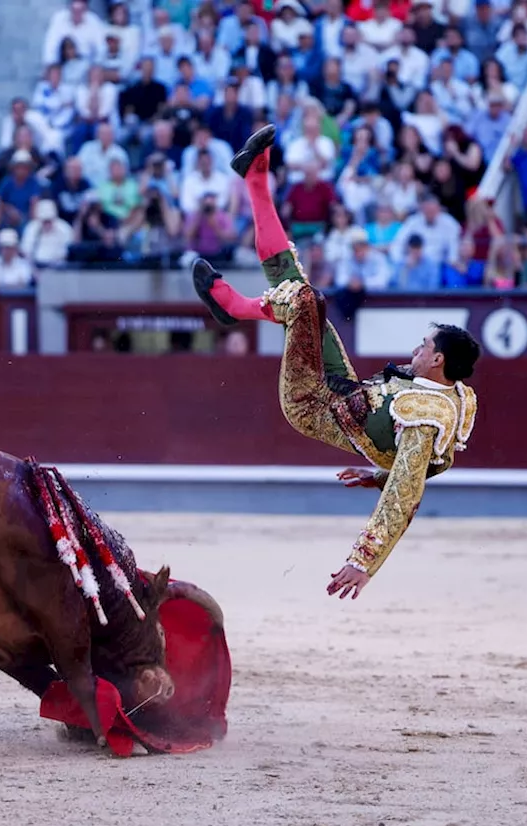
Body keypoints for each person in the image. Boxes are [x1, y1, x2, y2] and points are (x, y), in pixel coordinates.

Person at [190, 124, 481, 601]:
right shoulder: (455, 398)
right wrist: (379, 472)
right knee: (294, 281)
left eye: (423, 346)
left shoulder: (428, 415)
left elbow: (405, 495)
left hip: (310, 402)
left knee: (305, 300)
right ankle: (254, 179)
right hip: (342, 387)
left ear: (438, 360)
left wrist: (361, 563)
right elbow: (436, 463)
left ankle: (233, 307)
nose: (415, 350)